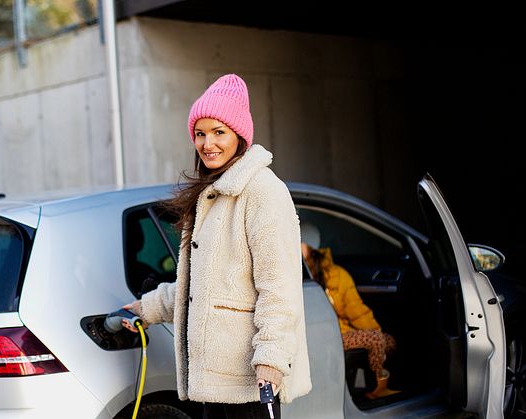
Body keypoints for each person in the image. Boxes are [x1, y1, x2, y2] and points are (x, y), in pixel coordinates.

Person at [119, 74, 312, 418]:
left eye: (219, 132)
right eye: (200, 133)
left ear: (239, 135)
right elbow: (205, 285)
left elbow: (279, 287)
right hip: (212, 380)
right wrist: (148, 308)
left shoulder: (263, 192)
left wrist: (271, 356)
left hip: (250, 379)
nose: (208, 143)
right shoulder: (212, 195)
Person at [299, 222, 400, 400]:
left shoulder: (337, 275)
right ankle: (377, 387)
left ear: (311, 245)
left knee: (387, 340)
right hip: (321, 336)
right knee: (376, 339)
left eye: (299, 242)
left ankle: (369, 385)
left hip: (341, 333)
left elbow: (357, 311)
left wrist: (375, 331)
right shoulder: (290, 272)